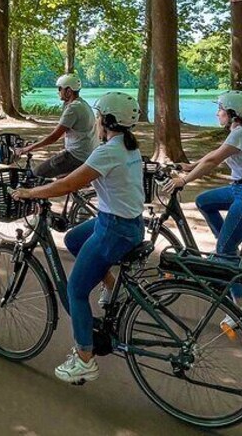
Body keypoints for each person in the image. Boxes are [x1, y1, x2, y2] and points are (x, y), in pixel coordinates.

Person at [13, 92, 144, 384]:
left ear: (106, 121)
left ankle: (85, 359)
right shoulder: (127, 145)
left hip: (113, 229)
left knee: (75, 291)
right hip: (128, 223)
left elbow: (70, 182)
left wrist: (29, 192)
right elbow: (98, 179)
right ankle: (112, 288)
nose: (96, 119)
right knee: (73, 239)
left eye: (99, 116)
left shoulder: (107, 151)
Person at [163, 90, 242, 326]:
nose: (217, 114)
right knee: (205, 201)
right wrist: (191, 165)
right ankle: (227, 247)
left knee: (226, 249)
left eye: (220, 109)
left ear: (232, 113)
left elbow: (214, 161)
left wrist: (184, 180)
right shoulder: (239, 132)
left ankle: (241, 306)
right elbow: (214, 156)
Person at [14, 73, 97, 178]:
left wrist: (27, 149)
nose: (58, 92)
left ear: (68, 91)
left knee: (38, 174)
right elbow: (64, 131)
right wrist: (39, 141)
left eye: (60, 89)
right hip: (87, 154)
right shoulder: (82, 104)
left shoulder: (73, 109)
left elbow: (54, 137)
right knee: (58, 179)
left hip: (76, 156)